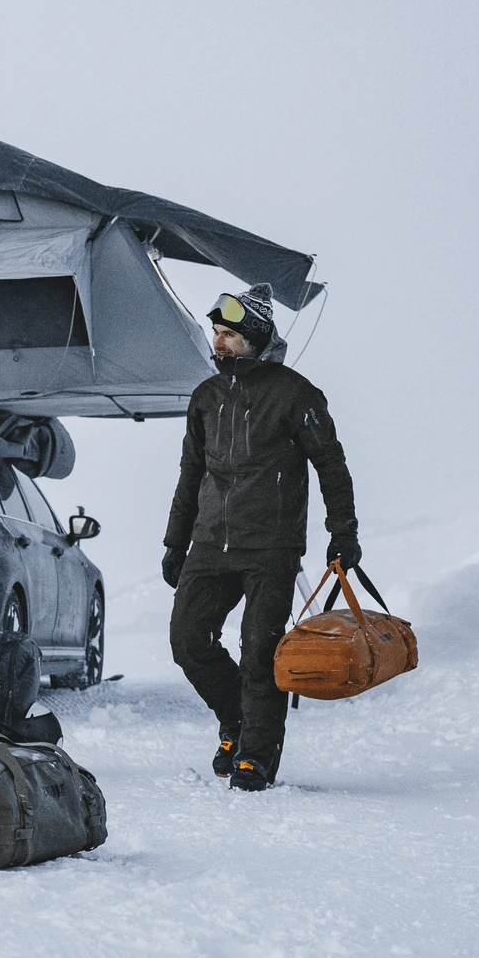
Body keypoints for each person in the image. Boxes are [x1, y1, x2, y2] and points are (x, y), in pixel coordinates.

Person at [162, 283, 359, 791]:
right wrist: (175, 542)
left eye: (229, 334)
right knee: (188, 640)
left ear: (255, 337)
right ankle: (236, 720)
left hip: (271, 546)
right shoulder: (206, 397)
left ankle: (256, 754)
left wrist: (343, 531)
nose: (218, 342)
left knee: (258, 650)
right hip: (210, 543)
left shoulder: (296, 393)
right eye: (216, 332)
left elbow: (331, 464)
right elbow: (190, 474)